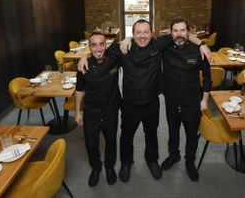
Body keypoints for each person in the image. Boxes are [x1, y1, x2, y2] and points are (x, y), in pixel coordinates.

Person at [79, 20, 210, 183]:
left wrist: (202, 44)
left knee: (152, 135)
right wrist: (84, 56)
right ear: (132, 35)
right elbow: (99, 52)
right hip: (129, 104)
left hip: (151, 103)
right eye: (138, 32)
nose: (142, 36)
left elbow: (182, 33)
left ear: (152, 33)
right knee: (126, 137)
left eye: (146, 32)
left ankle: (151, 160)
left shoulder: (158, 45)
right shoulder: (122, 48)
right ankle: (126, 163)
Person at [160, 17, 212, 182]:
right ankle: (173, 155)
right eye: (175, 31)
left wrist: (204, 100)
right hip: (171, 101)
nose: (179, 34)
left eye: (182, 30)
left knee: (191, 136)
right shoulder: (165, 48)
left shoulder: (198, 50)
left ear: (188, 32)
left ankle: (190, 163)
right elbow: (143, 40)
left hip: (192, 102)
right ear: (171, 33)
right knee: (172, 133)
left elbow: (208, 77)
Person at [74, 32, 121, 186]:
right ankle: (96, 167)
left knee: (111, 141)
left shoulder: (114, 58)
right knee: (91, 143)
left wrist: (84, 55)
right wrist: (77, 111)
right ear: (89, 47)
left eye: (102, 43)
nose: (98, 48)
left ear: (106, 45)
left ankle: (109, 167)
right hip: (92, 111)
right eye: (94, 45)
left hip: (111, 110)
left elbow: (130, 42)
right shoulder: (83, 66)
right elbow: (79, 90)